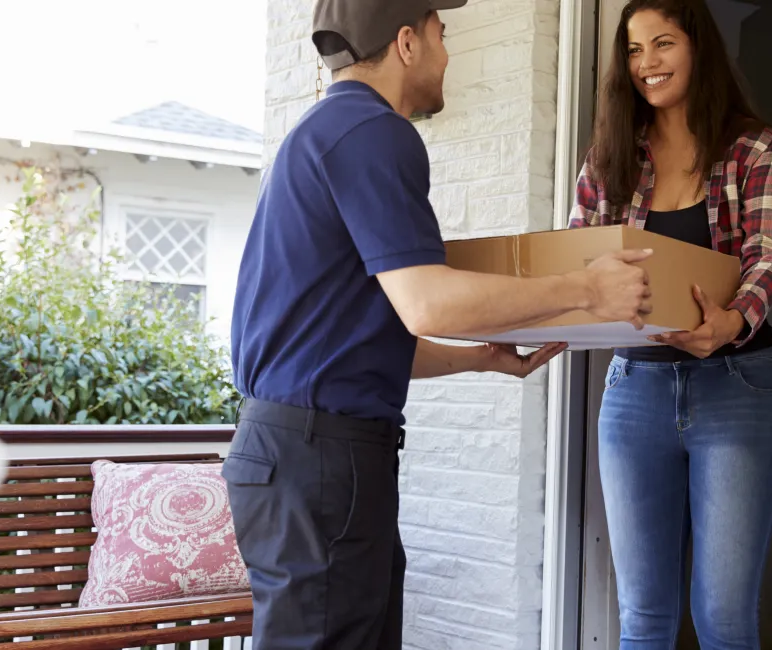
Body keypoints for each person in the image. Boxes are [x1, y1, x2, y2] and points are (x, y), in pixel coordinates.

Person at [222, 0, 657, 647]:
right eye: (441, 33)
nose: (447, 52)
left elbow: (366, 336)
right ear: (405, 42)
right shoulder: (374, 133)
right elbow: (428, 301)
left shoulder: (322, 134)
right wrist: (586, 289)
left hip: (295, 454)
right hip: (322, 462)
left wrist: (480, 358)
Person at [567, 0, 772, 647]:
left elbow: (769, 257)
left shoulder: (756, 148)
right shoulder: (610, 158)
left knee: (722, 616)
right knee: (643, 617)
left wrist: (730, 323)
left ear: (698, 48)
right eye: (634, 50)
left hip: (737, 388)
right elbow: (578, 258)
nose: (647, 64)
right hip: (634, 393)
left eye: (662, 44)